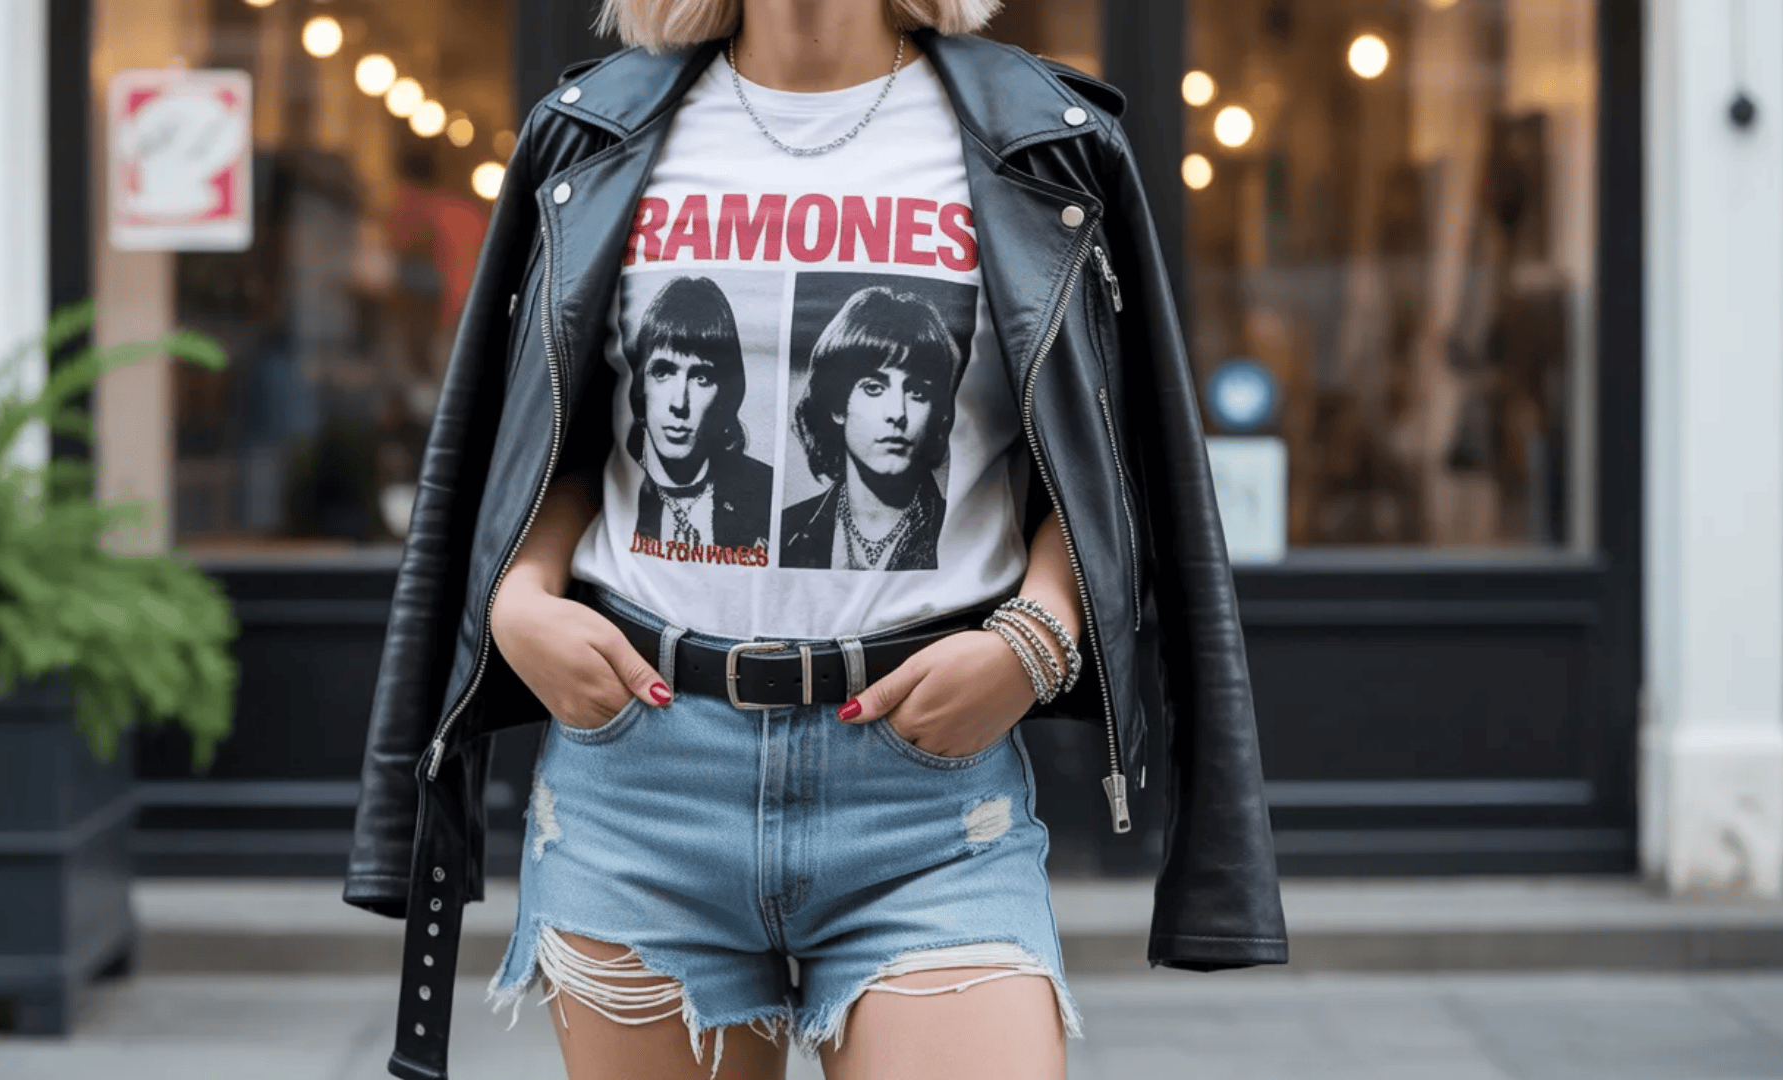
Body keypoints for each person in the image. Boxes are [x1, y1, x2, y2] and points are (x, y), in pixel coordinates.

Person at [346, 2, 1287, 1079]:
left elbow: (1107, 457)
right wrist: (516, 600)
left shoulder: (1044, 138)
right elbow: (558, 441)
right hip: (643, 780)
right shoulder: (591, 132)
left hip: (926, 797)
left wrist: (1039, 634)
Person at [782, 285, 959, 571]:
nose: (897, 414)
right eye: (874, 388)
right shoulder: (786, 531)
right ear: (838, 405)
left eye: (917, 393)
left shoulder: (960, 531)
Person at [626, 275, 773, 553]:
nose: (679, 403)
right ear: (640, 384)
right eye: (663, 372)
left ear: (726, 392)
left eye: (701, 377)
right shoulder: (609, 484)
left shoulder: (767, 494)